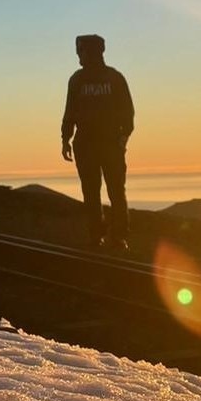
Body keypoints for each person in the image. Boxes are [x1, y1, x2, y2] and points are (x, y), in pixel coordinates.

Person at [61, 34, 134, 250]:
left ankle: (113, 235)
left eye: (81, 51)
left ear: (91, 52)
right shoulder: (84, 79)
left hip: (106, 143)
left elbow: (127, 112)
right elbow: (70, 112)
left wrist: (123, 136)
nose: (79, 56)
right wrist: (66, 138)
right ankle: (105, 235)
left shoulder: (110, 78)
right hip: (91, 144)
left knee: (110, 191)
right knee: (99, 191)